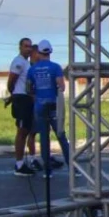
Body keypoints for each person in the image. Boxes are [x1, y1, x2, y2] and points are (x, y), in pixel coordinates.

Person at [24, 40, 67, 173]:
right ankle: (73, 167)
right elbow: (62, 87)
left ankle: (47, 171)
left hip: (39, 106)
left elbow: (28, 88)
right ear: (50, 52)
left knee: (44, 137)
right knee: (60, 135)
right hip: (54, 106)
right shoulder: (56, 67)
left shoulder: (32, 69)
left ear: (39, 52)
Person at [8, 37, 38, 175]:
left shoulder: (27, 63)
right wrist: (14, 94)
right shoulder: (19, 62)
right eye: (26, 46)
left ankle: (25, 162)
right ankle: (19, 164)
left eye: (30, 46)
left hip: (27, 99)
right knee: (21, 132)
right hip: (21, 99)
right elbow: (11, 80)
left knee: (27, 130)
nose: (28, 48)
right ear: (20, 47)